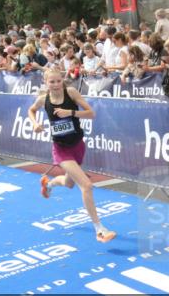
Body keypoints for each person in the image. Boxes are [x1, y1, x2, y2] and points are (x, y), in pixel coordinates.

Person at [29, 67, 116, 243]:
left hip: (77, 145)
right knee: (86, 185)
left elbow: (91, 114)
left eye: (58, 81)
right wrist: (34, 124)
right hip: (61, 149)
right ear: (46, 83)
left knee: (69, 183)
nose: (55, 85)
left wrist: (71, 113)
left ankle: (49, 184)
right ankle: (99, 230)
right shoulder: (43, 99)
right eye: (51, 82)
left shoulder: (71, 93)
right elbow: (31, 110)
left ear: (62, 80)